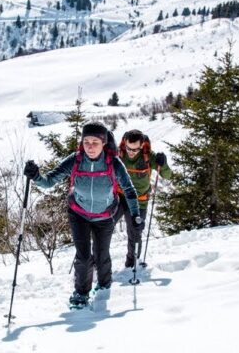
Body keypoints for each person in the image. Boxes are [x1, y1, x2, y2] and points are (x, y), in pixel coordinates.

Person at [24, 122, 142, 308]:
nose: (90, 147)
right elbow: (49, 181)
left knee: (102, 254)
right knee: (84, 256)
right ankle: (81, 293)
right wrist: (36, 176)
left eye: (95, 142)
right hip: (79, 214)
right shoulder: (76, 160)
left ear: (103, 143)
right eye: (86, 142)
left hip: (105, 215)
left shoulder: (113, 163)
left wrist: (135, 215)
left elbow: (129, 190)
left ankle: (104, 285)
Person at [114, 129, 172, 267]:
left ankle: (131, 263)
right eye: (128, 148)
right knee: (103, 226)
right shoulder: (118, 154)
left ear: (142, 145)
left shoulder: (148, 156)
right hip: (119, 197)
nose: (131, 152)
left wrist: (163, 164)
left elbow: (167, 175)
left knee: (135, 232)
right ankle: (96, 260)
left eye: (135, 149)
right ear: (125, 143)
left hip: (139, 200)